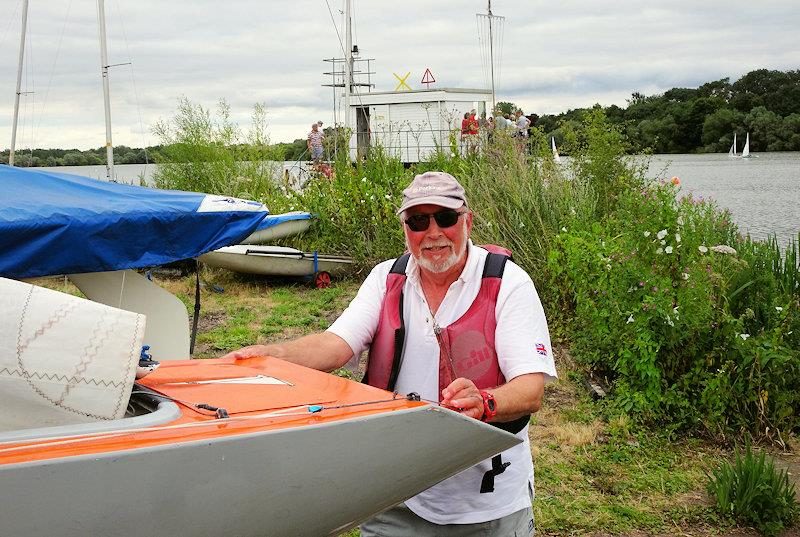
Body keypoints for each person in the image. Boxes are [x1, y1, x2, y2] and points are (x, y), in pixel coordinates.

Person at [223, 171, 557, 536]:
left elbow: (530, 388)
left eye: (445, 218)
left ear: (467, 221)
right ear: (405, 228)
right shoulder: (386, 277)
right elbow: (336, 343)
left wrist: (485, 401)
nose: (433, 233)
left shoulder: (508, 283)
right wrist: (271, 354)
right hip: (397, 494)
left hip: (485, 505)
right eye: (418, 221)